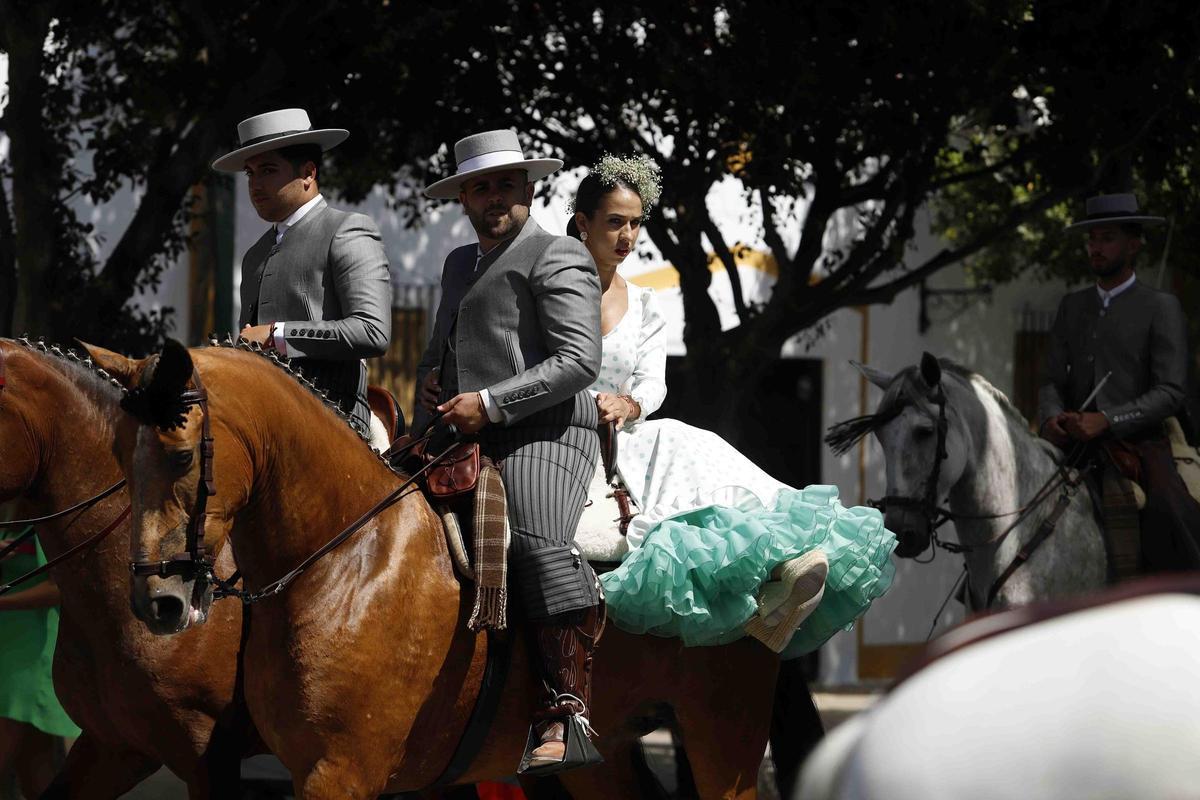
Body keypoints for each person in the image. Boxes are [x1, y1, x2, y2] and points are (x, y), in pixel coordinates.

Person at [568, 155, 896, 655]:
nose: (628, 236)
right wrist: (589, 400)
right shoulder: (553, 289)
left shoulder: (645, 303)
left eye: (635, 223)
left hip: (629, 435)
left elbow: (653, 383)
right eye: (615, 222)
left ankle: (790, 566)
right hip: (570, 435)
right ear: (582, 223)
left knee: (699, 448)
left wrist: (630, 405)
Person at [416, 130, 604, 774]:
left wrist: (490, 403)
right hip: (461, 430)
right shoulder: (455, 265)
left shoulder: (560, 256)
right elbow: (436, 355)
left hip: (547, 431)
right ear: (463, 197)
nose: (492, 196)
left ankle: (564, 709)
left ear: (529, 187)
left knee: (529, 536)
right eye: (479, 186)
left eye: (504, 184)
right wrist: (428, 409)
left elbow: (580, 361)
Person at [1038, 193, 1200, 572]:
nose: (1095, 247)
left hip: (1141, 444)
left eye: (1106, 238)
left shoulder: (1161, 307)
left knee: (1171, 511)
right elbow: (1050, 379)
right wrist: (1051, 419)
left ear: (1134, 244)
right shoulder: (1071, 306)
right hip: (1074, 442)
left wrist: (1107, 419)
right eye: (1092, 239)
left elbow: (1171, 392)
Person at [212, 107, 392, 434]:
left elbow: (372, 331)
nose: (255, 183)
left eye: (268, 170)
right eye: (250, 173)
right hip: (266, 430)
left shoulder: (348, 230)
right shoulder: (255, 255)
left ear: (308, 173)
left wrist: (276, 335)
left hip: (335, 431)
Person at [0, 514, 80, 799]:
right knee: (36, 769)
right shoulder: (11, 516)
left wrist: (2, 603)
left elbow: (57, 587)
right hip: (10, 644)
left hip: (29, 653)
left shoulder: (45, 517)